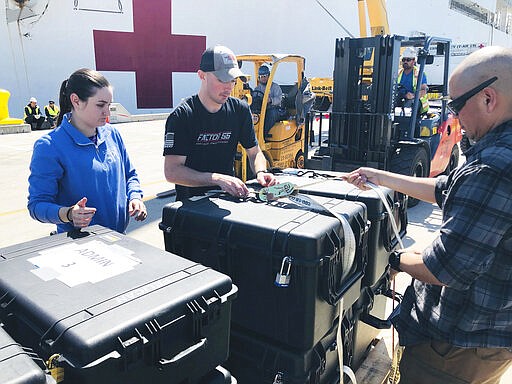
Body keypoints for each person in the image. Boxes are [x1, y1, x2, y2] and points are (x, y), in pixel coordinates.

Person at [344, 46, 512, 384]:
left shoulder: (493, 166)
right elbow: (446, 188)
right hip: (487, 341)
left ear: (488, 99)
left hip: (455, 350)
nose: (455, 117)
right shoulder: (497, 154)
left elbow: (444, 268)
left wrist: (393, 260)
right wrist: (381, 176)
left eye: (456, 105)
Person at [27, 68, 147, 234]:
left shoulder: (112, 134)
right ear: (76, 101)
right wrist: (68, 214)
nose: (107, 112)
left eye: (109, 105)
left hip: (118, 237)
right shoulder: (50, 146)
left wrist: (135, 197)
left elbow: (130, 175)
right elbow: (37, 205)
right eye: (100, 105)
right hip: (82, 245)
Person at [163, 45, 277, 202]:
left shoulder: (240, 110)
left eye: (232, 80)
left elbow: (254, 152)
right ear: (202, 75)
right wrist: (216, 179)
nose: (229, 87)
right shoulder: (182, 116)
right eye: (222, 79)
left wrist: (261, 172)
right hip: (192, 209)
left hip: (227, 201)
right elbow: (172, 171)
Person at [396, 47, 429, 114]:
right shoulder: (398, 73)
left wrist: (413, 96)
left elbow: (423, 90)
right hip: (402, 96)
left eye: (408, 60)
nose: (405, 62)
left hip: (416, 100)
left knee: (408, 105)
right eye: (403, 59)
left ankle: (407, 123)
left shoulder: (419, 73)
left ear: (413, 61)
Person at [254, 64, 283, 136]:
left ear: (269, 76)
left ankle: (263, 135)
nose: (263, 78)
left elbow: (279, 99)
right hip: (261, 109)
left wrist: (271, 100)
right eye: (261, 76)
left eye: (265, 76)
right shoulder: (257, 88)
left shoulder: (275, 87)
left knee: (271, 114)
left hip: (274, 109)